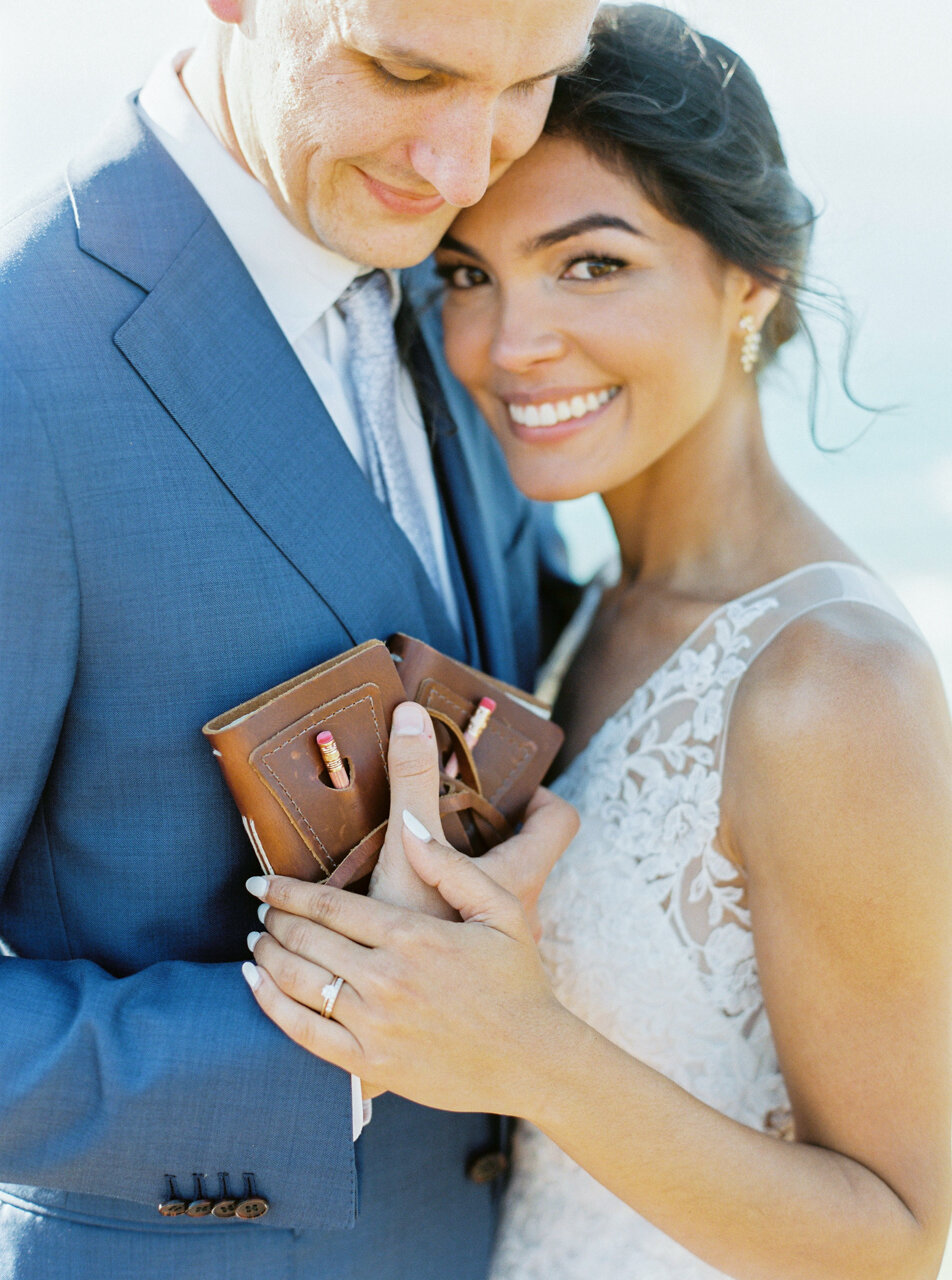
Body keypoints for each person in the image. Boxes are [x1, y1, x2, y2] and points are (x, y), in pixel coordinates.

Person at [242, 7, 952, 1278]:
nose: (510, 346)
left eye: (591, 264)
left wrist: (521, 1051)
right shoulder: (576, 602)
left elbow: (896, 1236)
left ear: (750, 279)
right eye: (467, 274)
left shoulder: (833, 682)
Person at [0, 0, 599, 1275]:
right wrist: (333, 1040)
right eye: (401, 69)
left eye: (530, 84)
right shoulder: (19, 362)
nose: (459, 166)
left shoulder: (463, 276)